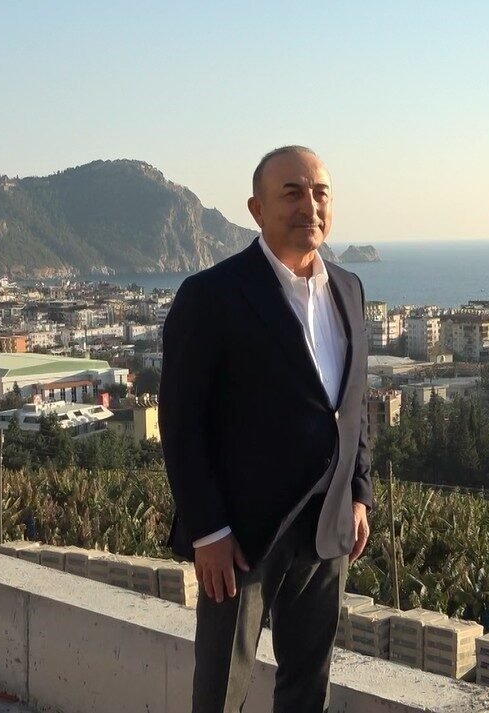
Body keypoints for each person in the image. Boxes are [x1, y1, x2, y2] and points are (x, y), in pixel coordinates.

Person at [159, 145, 373, 713]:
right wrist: (208, 531)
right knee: (221, 690)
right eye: (292, 193)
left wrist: (358, 492)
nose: (310, 206)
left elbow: (352, 405)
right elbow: (181, 424)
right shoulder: (211, 295)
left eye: (320, 193)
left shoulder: (349, 289)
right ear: (256, 209)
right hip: (241, 536)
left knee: (308, 684)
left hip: (327, 524)